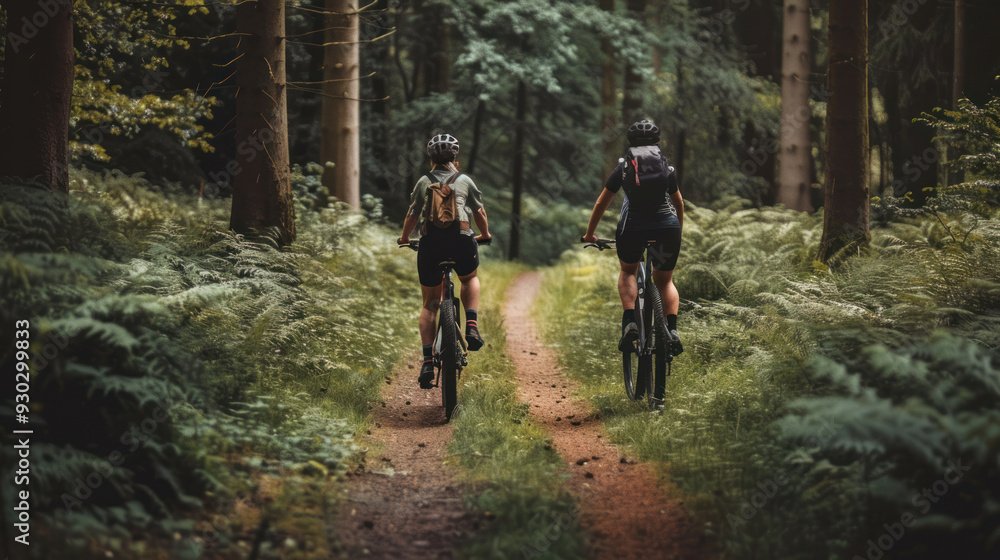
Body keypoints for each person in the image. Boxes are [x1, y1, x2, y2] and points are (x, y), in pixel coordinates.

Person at [581, 119, 684, 359]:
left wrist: (590, 234)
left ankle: (631, 324)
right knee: (665, 281)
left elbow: (601, 202)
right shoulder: (666, 169)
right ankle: (673, 331)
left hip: (633, 230)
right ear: (656, 143)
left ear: (631, 142)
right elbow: (678, 203)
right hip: (666, 229)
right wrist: (677, 230)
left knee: (628, 272)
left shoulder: (624, 167)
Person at [397, 133, 492, 389]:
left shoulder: (423, 181)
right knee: (469, 277)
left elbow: (413, 214)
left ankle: (428, 361)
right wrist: (484, 234)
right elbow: (479, 211)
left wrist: (405, 237)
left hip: (431, 245)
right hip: (461, 241)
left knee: (429, 304)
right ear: (455, 158)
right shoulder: (465, 180)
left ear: (431, 159)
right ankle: (471, 325)